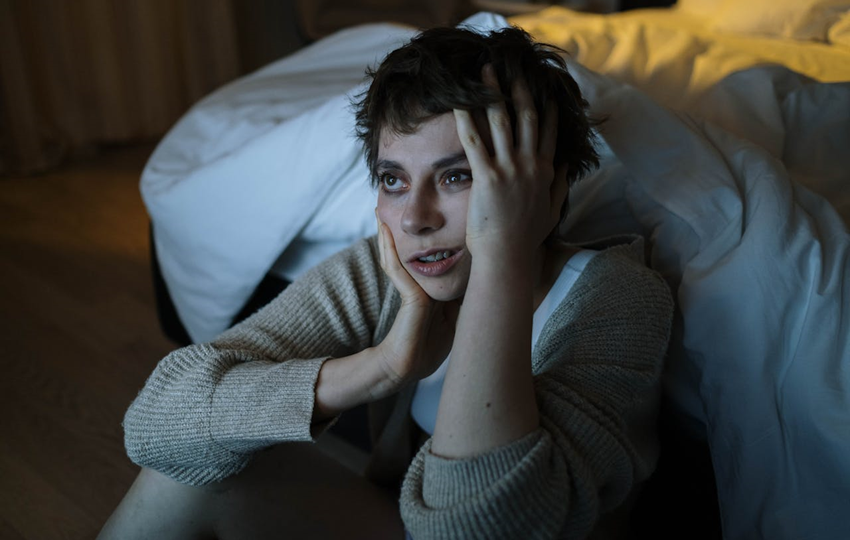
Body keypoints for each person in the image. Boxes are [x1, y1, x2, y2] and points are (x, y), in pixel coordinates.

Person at [98, 26, 674, 540]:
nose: (415, 218)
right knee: (188, 475)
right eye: (393, 180)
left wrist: (503, 255)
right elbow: (155, 425)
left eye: (457, 176)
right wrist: (380, 367)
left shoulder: (618, 299)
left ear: (539, 184)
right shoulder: (393, 268)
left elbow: (473, 529)